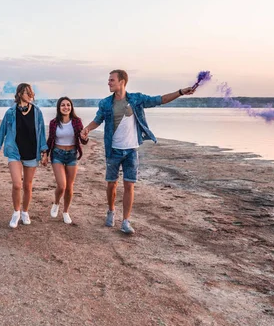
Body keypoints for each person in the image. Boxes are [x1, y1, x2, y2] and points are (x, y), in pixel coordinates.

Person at [81, 69, 195, 234]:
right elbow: (98, 120)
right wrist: (87, 129)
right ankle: (111, 211)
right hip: (113, 150)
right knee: (111, 184)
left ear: (122, 82)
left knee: (129, 185)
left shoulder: (136, 99)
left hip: (131, 150)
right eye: (109, 80)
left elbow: (159, 100)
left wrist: (180, 92)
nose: (109, 82)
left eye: (112, 80)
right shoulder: (105, 103)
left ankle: (126, 221)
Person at [0, 83, 48, 228]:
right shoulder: (10, 112)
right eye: (27, 92)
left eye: (31, 93)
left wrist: (44, 151)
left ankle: (25, 212)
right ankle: (16, 212)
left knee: (27, 186)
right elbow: (2, 130)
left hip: (32, 153)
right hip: (15, 152)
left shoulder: (37, 112)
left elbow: (41, 133)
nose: (30, 95)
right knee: (17, 185)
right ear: (20, 94)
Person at [46, 97, 89, 224]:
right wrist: (45, 155)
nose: (66, 107)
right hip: (57, 154)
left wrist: (85, 137)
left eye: (68, 105)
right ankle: (56, 203)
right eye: (63, 105)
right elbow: (50, 140)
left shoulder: (76, 121)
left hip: (72, 155)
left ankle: (65, 212)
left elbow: (83, 140)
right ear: (59, 108)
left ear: (71, 107)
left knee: (69, 187)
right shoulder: (54, 122)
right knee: (62, 185)